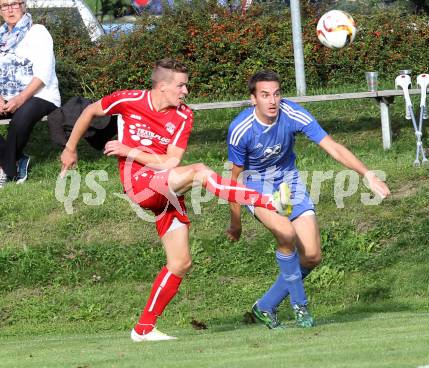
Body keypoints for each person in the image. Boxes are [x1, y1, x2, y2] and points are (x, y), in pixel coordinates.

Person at [59, 58, 292, 342]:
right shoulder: (128, 99)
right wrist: (70, 149)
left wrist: (129, 150)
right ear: (163, 86)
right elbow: (90, 111)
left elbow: (170, 161)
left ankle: (143, 328)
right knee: (200, 171)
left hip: (165, 185)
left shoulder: (184, 115)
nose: (186, 91)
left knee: (180, 262)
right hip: (140, 184)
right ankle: (267, 201)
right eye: (181, 85)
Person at [226, 70, 390, 329]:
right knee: (286, 233)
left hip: (288, 182)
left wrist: (366, 173)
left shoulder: (292, 114)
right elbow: (233, 180)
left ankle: (265, 306)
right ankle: (300, 307)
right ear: (253, 99)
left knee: (312, 256)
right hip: (255, 185)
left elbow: (332, 146)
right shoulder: (240, 129)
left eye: (276, 94)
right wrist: (235, 221)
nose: (272, 101)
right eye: (265, 95)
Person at [0, 0, 60, 187]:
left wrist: (20, 99)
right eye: (4, 5)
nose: (10, 9)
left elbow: (43, 74)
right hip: (6, 96)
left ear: (23, 6)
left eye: (14, 4)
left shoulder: (38, 32)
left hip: (40, 94)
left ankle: (6, 171)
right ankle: (18, 160)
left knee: (21, 118)